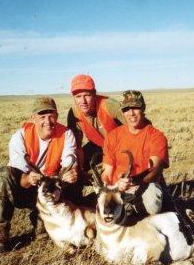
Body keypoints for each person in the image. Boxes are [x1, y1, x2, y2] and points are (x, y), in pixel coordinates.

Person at [0, 97, 78, 252]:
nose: (48, 121)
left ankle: (40, 218)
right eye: (42, 116)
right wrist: (28, 178)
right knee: (2, 175)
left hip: (52, 188)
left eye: (51, 116)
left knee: (75, 184)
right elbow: (20, 173)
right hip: (25, 189)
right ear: (33, 118)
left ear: (57, 116)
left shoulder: (66, 134)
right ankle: (2, 228)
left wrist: (69, 173)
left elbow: (70, 157)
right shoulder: (20, 136)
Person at [101, 90, 169, 222]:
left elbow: (154, 171)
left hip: (144, 185)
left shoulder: (156, 136)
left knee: (152, 202)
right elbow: (106, 173)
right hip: (117, 187)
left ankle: (144, 220)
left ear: (143, 108)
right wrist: (111, 186)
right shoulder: (113, 136)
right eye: (126, 109)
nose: (131, 113)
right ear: (122, 112)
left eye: (135, 108)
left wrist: (131, 182)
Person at [67, 74, 124, 173]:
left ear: (94, 94)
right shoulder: (74, 113)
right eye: (78, 96)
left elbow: (137, 129)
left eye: (87, 95)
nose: (83, 101)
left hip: (121, 146)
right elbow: (76, 146)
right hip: (98, 146)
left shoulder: (110, 106)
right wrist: (80, 169)